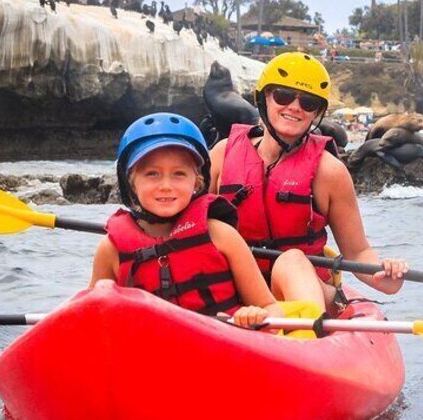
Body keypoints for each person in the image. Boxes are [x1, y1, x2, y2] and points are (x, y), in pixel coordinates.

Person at [208, 52, 408, 315]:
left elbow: (358, 252)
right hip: (238, 286)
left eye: (308, 102)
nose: (294, 107)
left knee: (290, 261)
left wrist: (382, 275)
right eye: (282, 96)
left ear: (317, 113)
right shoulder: (222, 154)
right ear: (264, 98)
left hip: (305, 288)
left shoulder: (329, 172)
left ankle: (303, 338)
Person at [90, 112, 284, 328]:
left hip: (222, 350)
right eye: (152, 174)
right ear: (132, 184)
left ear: (197, 182)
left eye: (179, 174)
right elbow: (92, 318)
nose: (166, 185)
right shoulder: (110, 250)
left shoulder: (221, 235)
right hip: (149, 355)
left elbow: (271, 307)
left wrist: (256, 315)